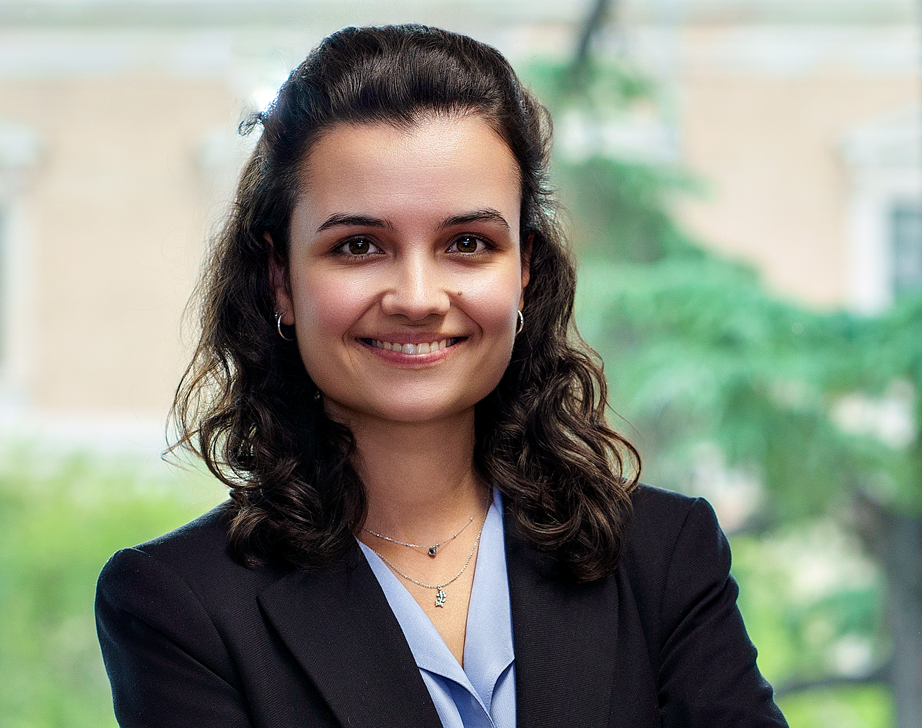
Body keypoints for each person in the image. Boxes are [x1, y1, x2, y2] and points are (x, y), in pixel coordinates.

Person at [95, 24, 788, 728]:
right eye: (359, 246)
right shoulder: (178, 605)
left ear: (524, 270)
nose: (419, 298)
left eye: (468, 243)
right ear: (280, 279)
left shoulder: (663, 555)